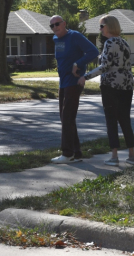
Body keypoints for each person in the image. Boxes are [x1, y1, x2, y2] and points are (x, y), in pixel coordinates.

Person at [77, 15, 134, 166]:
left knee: (111, 119)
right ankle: (131, 155)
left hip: (111, 85)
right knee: (125, 118)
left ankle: (114, 156)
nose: (100, 29)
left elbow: (106, 66)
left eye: (102, 26)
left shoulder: (109, 42)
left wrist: (86, 76)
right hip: (127, 84)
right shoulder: (124, 42)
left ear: (109, 26)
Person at [50, 15, 99, 164]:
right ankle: (76, 153)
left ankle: (67, 153)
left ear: (64, 23)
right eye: (52, 26)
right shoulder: (56, 39)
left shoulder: (75, 36)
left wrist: (79, 63)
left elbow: (93, 52)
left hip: (74, 82)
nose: (55, 27)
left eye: (57, 24)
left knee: (67, 117)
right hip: (63, 82)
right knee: (66, 117)